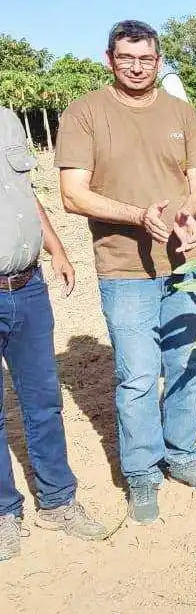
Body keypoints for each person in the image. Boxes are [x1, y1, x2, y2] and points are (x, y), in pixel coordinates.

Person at [57, 20, 196, 524]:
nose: (136, 66)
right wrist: (137, 216)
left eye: (145, 58)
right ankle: (143, 472)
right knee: (138, 376)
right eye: (126, 58)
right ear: (109, 58)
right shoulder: (85, 114)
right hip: (124, 267)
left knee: (188, 365)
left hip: (187, 261)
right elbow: (72, 194)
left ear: (158, 59)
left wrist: (189, 213)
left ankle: (183, 454)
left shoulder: (182, 113)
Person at [0, 108, 106, 561]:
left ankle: (57, 500)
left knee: (44, 401)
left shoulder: (7, 118)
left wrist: (56, 247)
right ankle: (5, 513)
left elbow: (24, 194)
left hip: (28, 285)